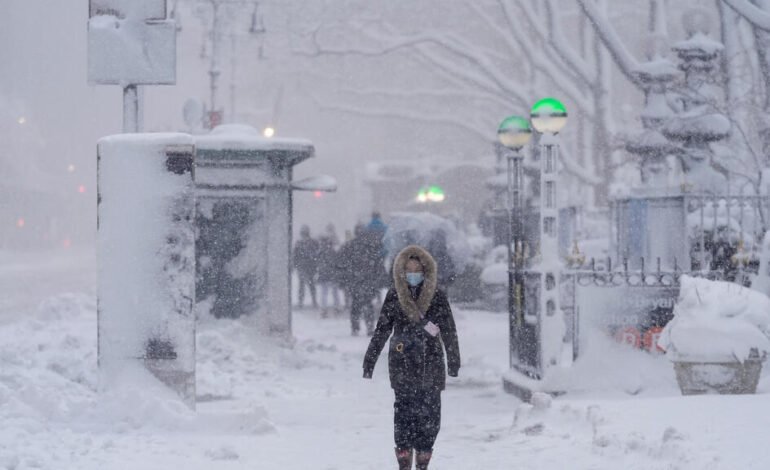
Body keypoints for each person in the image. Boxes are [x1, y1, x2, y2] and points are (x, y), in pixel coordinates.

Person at [362, 245, 461, 470]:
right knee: (404, 414)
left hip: (431, 363)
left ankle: (424, 459)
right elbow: (382, 330)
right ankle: (404, 460)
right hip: (402, 364)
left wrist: (454, 361)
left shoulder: (437, 296)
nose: (412, 273)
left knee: (430, 415)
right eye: (408, 269)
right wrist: (369, 361)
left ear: (425, 271)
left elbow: (449, 330)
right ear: (401, 272)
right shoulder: (394, 296)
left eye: (417, 269)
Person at [338, 223, 386, 335]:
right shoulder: (370, 246)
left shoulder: (349, 246)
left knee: (355, 304)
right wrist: (380, 278)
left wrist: (343, 279)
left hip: (354, 280)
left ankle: (355, 328)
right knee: (368, 303)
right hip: (368, 280)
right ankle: (369, 327)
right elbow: (378, 264)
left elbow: (342, 264)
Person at [317, 223, 341, 317]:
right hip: (332, 274)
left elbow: (318, 263)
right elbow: (337, 262)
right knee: (334, 292)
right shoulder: (333, 251)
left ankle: (323, 309)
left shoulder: (320, 252)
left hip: (323, 274)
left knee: (324, 293)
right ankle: (337, 307)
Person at [293, 225, 320, 308]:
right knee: (311, 285)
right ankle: (314, 302)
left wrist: (294, 265)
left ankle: (301, 302)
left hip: (303, 266)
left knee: (302, 285)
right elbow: (317, 253)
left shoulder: (299, 243)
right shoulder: (313, 242)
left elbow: (295, 255)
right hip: (310, 266)